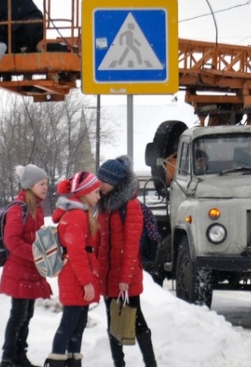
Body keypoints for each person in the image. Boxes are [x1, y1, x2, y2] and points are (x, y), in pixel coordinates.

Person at [96, 156, 158, 367]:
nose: (99, 184)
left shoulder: (130, 206)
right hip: (107, 278)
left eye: (103, 180)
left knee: (136, 321)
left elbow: (131, 248)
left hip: (126, 279)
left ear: (115, 181)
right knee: (113, 323)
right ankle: (118, 364)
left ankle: (151, 363)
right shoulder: (103, 208)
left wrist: (124, 279)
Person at [44, 171, 102, 367]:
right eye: (96, 192)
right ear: (85, 192)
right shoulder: (77, 216)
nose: (99, 196)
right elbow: (76, 252)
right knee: (69, 325)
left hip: (75, 276)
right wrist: (87, 283)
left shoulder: (81, 213)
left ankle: (72, 362)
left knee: (77, 325)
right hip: (75, 278)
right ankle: (57, 362)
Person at [0, 164, 53, 367]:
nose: (46, 187)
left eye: (46, 183)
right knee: (18, 315)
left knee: (26, 315)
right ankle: (7, 359)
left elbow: (35, 238)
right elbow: (12, 240)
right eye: (42, 183)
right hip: (19, 270)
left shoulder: (35, 208)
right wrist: (36, 254)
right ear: (29, 185)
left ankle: (20, 357)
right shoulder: (18, 208)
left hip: (30, 269)